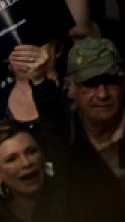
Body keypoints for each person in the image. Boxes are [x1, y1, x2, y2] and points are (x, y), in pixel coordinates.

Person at [27, 37, 125, 185]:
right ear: (70, 87)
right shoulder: (61, 135)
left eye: (111, 81)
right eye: (90, 83)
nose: (103, 94)